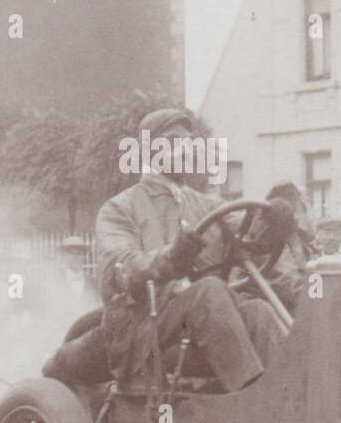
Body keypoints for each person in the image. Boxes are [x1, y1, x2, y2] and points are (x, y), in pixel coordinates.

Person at [94, 108, 289, 393]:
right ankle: (251, 399)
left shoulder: (207, 205)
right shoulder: (119, 209)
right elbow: (121, 269)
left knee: (258, 310)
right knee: (209, 290)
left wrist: (275, 223)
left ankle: (287, 393)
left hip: (203, 321)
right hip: (145, 328)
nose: (184, 151)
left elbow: (249, 239)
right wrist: (171, 258)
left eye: (188, 143)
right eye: (173, 143)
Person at [261, 182, 320, 313]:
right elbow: (290, 286)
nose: (313, 215)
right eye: (307, 206)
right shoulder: (274, 247)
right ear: (296, 215)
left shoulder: (304, 246)